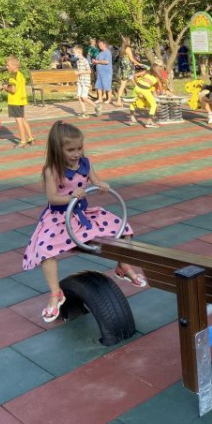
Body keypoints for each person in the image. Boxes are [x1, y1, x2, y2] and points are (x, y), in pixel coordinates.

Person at [24, 122, 146, 323]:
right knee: (45, 249)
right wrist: (71, 196)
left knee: (125, 228)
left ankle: (123, 266)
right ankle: (56, 293)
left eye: (79, 148)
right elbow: (53, 198)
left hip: (82, 213)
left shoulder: (85, 164)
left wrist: (101, 185)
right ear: (57, 149)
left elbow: (96, 181)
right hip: (59, 217)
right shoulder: (52, 170)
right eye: (70, 150)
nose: (76, 153)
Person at [3, 56, 35, 148]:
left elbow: (13, 89)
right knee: (23, 118)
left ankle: (22, 140)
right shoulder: (20, 74)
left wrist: (5, 87)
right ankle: (30, 138)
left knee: (19, 120)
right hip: (21, 100)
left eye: (8, 65)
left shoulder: (13, 75)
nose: (7, 67)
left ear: (14, 66)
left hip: (15, 101)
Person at [128, 61, 167, 128]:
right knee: (153, 104)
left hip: (137, 87)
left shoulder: (147, 71)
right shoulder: (158, 77)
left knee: (133, 102)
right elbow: (160, 88)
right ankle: (149, 122)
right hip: (145, 89)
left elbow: (135, 75)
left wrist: (137, 83)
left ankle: (132, 118)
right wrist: (162, 92)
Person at [115, 36, 145, 108]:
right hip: (129, 69)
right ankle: (142, 95)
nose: (130, 42)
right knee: (135, 83)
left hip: (123, 69)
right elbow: (131, 59)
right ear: (127, 41)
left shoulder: (121, 49)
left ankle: (118, 101)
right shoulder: (128, 48)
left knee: (123, 86)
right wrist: (139, 63)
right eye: (129, 41)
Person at [73, 46, 99, 118]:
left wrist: (79, 72)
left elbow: (89, 71)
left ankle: (96, 106)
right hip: (80, 81)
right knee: (79, 97)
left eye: (74, 52)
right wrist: (78, 74)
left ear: (79, 52)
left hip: (85, 81)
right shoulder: (78, 61)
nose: (73, 54)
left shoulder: (85, 60)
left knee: (84, 97)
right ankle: (84, 112)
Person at [92, 39, 114, 105]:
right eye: (99, 45)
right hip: (99, 73)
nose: (99, 46)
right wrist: (94, 62)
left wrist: (97, 62)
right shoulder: (100, 53)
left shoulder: (107, 52)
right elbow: (97, 60)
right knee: (99, 86)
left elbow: (107, 62)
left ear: (105, 45)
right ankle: (100, 99)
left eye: (100, 44)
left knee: (107, 86)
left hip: (106, 73)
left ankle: (109, 99)